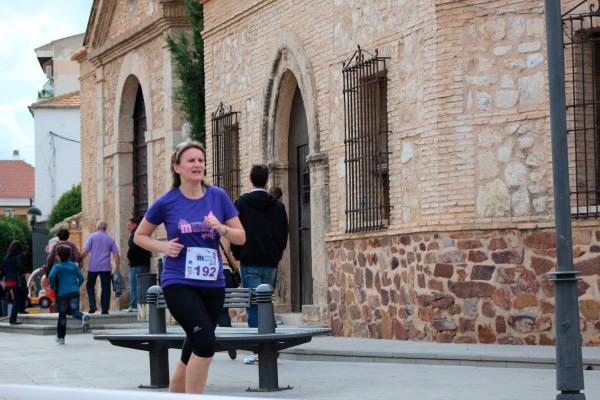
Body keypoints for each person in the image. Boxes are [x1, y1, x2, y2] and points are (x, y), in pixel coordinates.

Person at [134, 141, 246, 394]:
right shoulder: (167, 202)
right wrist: (163, 247)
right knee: (205, 343)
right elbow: (140, 236)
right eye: (191, 160)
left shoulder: (217, 196)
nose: (198, 165)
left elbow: (241, 237)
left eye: (201, 160)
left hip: (213, 283)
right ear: (177, 167)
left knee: (193, 346)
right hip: (178, 281)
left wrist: (222, 228)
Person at [231, 164, 288, 365]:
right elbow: (283, 235)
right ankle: (270, 346)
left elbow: (234, 231)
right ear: (267, 180)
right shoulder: (278, 206)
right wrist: (277, 255)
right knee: (266, 302)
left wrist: (237, 255)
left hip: (250, 260)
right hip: (270, 262)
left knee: (253, 304)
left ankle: (259, 351)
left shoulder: (242, 203)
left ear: (250, 179)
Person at [48, 245, 89, 344]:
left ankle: (61, 338)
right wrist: (76, 286)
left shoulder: (57, 266)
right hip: (74, 292)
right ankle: (82, 317)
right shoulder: (73, 265)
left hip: (63, 294)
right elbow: (82, 278)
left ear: (58, 256)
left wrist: (53, 287)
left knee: (62, 315)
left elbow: (51, 276)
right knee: (74, 311)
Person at [81, 221, 120, 314]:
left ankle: (93, 305)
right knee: (106, 288)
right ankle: (105, 309)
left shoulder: (92, 237)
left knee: (90, 286)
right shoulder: (110, 239)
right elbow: (116, 254)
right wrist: (117, 266)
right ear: (105, 228)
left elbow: (85, 251)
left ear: (97, 227)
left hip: (93, 267)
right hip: (106, 267)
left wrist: (79, 259)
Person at [125, 217, 151, 312]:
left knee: (135, 286)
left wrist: (129, 258)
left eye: (129, 225)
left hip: (136, 264)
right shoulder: (145, 234)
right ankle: (143, 305)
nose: (128, 227)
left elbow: (132, 249)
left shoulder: (135, 235)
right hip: (145, 263)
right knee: (143, 285)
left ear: (135, 225)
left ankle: (135, 305)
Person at [1, 240, 28, 325]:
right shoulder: (19, 256)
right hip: (17, 281)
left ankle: (21, 310)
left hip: (9, 281)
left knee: (22, 293)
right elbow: (20, 268)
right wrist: (23, 257)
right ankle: (13, 319)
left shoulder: (6, 258)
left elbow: (3, 270)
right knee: (18, 299)